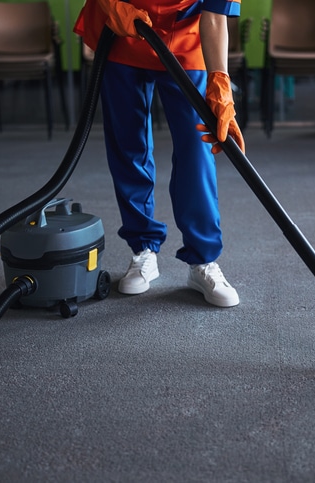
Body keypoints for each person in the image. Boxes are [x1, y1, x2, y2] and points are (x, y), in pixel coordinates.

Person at [74, 0, 245, 307]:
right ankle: (143, 250)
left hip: (186, 40)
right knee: (128, 146)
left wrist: (220, 79)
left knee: (197, 150)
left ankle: (202, 261)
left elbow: (216, 16)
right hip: (122, 30)